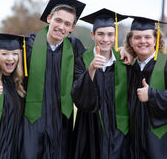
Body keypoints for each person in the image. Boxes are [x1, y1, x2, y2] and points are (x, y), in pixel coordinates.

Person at [22, 0, 86, 159]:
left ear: (72, 28)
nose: (61, 27)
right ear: (49, 19)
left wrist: (125, 52)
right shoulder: (27, 45)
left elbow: (99, 61)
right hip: (32, 121)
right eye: (58, 20)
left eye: (67, 24)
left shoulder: (75, 48)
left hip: (62, 122)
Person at [71, 8, 130, 159]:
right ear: (93, 35)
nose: (105, 39)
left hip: (118, 132)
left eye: (110, 34)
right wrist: (91, 69)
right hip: (89, 129)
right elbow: (78, 98)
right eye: (100, 34)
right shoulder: (81, 60)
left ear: (115, 35)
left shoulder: (125, 62)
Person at [124, 16, 167, 159]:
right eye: (137, 37)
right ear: (130, 41)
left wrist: (152, 95)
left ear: (155, 40)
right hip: (133, 145)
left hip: (159, 145)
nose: (142, 41)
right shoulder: (129, 68)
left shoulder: (164, 64)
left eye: (147, 37)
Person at [0, 33, 26, 159]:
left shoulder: (19, 82)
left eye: (15, 53)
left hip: (13, 147)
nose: (10, 58)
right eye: (4, 53)